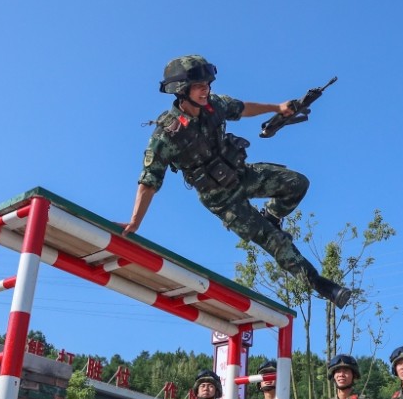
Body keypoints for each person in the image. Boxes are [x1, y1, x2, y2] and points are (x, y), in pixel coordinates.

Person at [121, 54, 352, 309]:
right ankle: (321, 284)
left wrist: (278, 108)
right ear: (181, 90)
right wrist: (135, 221)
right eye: (199, 86)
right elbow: (149, 181)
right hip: (221, 199)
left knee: (297, 183)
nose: (206, 90)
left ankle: (272, 216)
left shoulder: (214, 105)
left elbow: (243, 108)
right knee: (276, 241)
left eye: (208, 84)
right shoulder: (167, 134)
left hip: (242, 174)